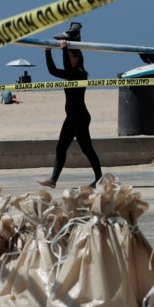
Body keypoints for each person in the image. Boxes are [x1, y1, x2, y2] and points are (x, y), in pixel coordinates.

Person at [37, 23, 102, 189]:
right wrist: (47, 52)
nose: (69, 59)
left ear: (77, 58)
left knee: (87, 149)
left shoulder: (80, 74)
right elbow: (52, 70)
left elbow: (67, 67)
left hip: (80, 118)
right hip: (72, 118)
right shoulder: (70, 74)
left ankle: (99, 179)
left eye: (71, 56)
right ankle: (53, 180)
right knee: (60, 148)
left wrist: (64, 49)